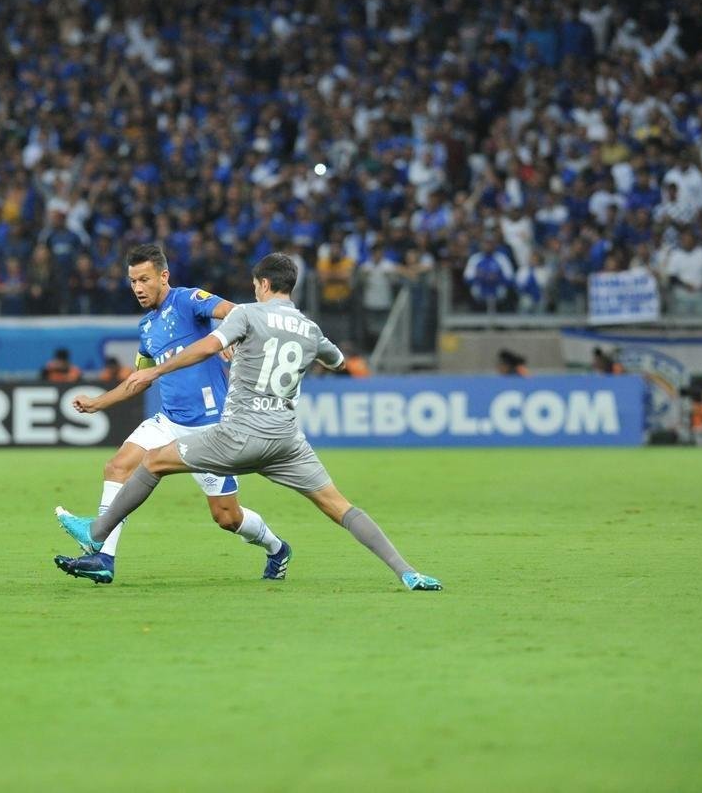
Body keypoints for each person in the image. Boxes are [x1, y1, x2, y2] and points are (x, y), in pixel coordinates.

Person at [55, 253, 441, 591]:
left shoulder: (244, 313)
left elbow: (209, 344)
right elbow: (338, 361)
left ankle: (96, 532)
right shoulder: (310, 328)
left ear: (263, 284)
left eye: (255, 285)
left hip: (235, 436)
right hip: (287, 442)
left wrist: (169, 366)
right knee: (341, 507)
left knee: (156, 463)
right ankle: (408, 572)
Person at [53, 244, 291, 584]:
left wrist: (231, 336)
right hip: (169, 422)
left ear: (163, 276)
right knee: (117, 467)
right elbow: (140, 380)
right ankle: (103, 557)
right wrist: (97, 403)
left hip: (211, 429)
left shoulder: (188, 300)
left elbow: (235, 310)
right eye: (132, 281)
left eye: (144, 279)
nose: (137, 288)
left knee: (227, 517)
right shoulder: (147, 328)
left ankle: (277, 548)